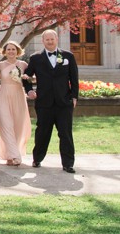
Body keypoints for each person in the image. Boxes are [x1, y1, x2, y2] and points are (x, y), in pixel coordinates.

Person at [24, 29, 80, 173]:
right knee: (43, 132)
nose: (50, 41)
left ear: (57, 39)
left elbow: (74, 78)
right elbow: (26, 76)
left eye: (52, 39)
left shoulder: (68, 56)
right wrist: (29, 90)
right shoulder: (36, 58)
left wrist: (74, 97)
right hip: (44, 103)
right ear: (43, 41)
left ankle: (68, 164)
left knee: (65, 133)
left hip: (64, 102)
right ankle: (37, 159)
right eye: (47, 39)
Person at [0, 41, 32, 166]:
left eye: (13, 49)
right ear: (4, 51)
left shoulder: (23, 64)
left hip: (18, 96)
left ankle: (10, 154)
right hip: (3, 95)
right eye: (8, 49)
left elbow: (32, 77)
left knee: (17, 126)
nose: (11, 51)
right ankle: (15, 155)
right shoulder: (0, 65)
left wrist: (27, 78)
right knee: (6, 124)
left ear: (17, 51)